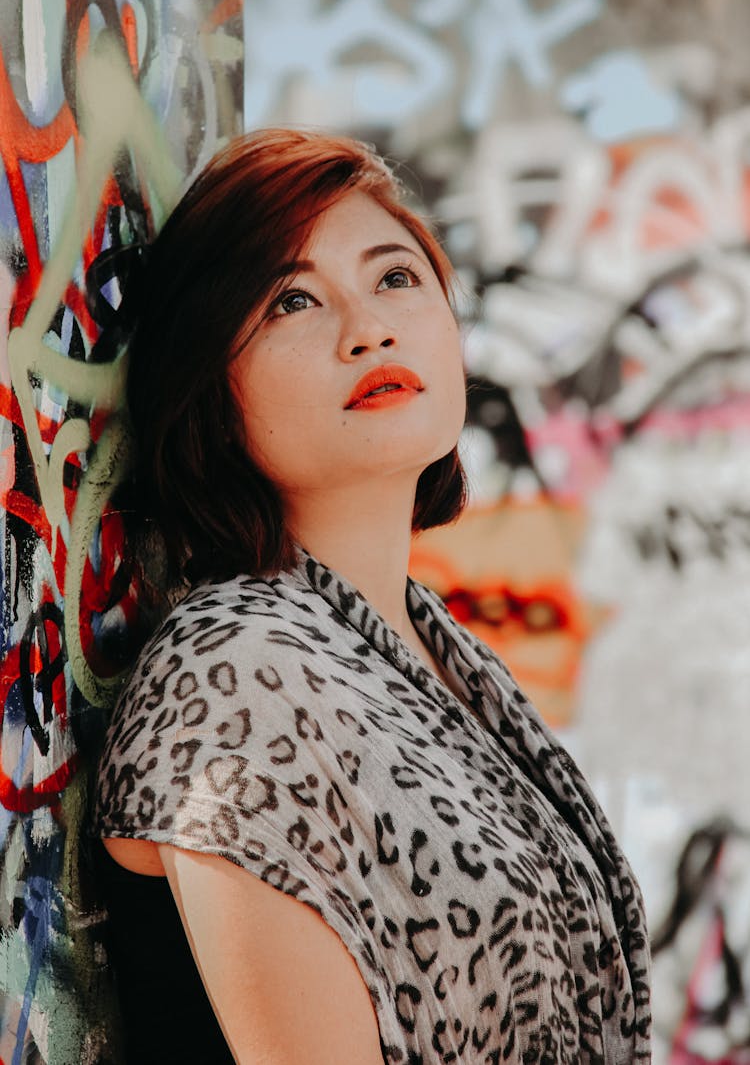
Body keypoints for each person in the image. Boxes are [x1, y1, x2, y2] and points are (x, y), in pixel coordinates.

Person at [92, 128, 651, 1064]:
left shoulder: (438, 656)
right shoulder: (237, 671)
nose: (370, 327)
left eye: (395, 277)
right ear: (211, 388)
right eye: (293, 301)